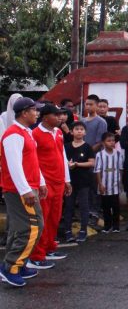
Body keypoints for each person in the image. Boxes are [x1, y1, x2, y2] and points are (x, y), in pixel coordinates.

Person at [0, 97, 47, 287]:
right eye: (34, 110)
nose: (37, 113)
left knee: (24, 228)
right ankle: (11, 267)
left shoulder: (26, 132)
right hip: (19, 190)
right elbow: (13, 166)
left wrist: (41, 182)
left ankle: (19, 264)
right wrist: (26, 190)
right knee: (32, 228)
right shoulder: (13, 134)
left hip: (28, 187)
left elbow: (32, 162)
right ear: (24, 112)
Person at [26, 105, 72, 269]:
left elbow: (63, 155)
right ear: (45, 117)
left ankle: (49, 248)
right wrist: (41, 182)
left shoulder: (58, 133)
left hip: (59, 181)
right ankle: (37, 255)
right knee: (42, 219)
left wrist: (67, 179)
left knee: (54, 216)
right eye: (56, 114)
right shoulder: (34, 134)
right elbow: (33, 161)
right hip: (45, 183)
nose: (60, 117)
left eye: (61, 114)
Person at [62, 121, 95, 243]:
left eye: (81, 129)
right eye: (77, 129)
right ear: (71, 132)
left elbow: (92, 162)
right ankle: (67, 231)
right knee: (69, 207)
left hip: (84, 181)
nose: (79, 131)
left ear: (85, 132)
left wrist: (77, 164)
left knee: (83, 206)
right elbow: (61, 161)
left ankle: (83, 231)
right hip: (69, 181)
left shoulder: (87, 147)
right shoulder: (66, 146)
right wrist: (68, 165)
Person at [94, 132, 124, 233]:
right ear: (103, 143)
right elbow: (97, 170)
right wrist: (100, 184)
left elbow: (120, 169)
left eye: (113, 141)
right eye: (109, 141)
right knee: (106, 207)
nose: (111, 143)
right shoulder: (100, 155)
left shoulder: (118, 154)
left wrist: (120, 182)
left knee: (116, 206)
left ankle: (116, 226)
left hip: (115, 184)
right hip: (104, 185)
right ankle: (107, 226)